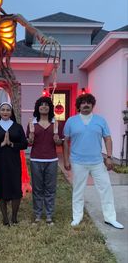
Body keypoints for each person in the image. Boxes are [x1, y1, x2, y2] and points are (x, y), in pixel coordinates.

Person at [63, 93, 124, 229]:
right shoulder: (71, 121)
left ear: (92, 105)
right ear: (78, 106)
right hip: (78, 161)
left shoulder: (100, 120)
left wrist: (109, 157)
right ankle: (77, 217)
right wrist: (66, 160)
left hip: (97, 162)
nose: (85, 105)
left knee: (105, 188)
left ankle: (110, 218)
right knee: (78, 190)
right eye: (83, 103)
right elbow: (66, 142)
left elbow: (107, 138)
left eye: (88, 102)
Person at [0, 102, 28, 226]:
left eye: (7, 110)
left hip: (13, 161)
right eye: (2, 110)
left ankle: (14, 217)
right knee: (0, 186)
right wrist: (1, 144)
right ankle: (5, 217)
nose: (5, 112)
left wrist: (12, 144)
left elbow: (24, 144)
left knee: (15, 187)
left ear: (11, 112)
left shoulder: (17, 126)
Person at [26, 96, 63, 225]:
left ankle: (49, 215)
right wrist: (30, 138)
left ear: (50, 107)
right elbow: (29, 143)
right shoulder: (32, 123)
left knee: (50, 188)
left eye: (47, 104)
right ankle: (37, 214)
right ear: (37, 107)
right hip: (36, 159)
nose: (44, 106)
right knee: (37, 188)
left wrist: (57, 140)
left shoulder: (55, 123)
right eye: (41, 104)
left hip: (51, 160)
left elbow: (59, 142)